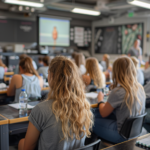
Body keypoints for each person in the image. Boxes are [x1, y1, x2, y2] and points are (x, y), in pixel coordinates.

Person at [18, 56, 93, 150]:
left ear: (51, 77)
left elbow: (27, 148)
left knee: (21, 142)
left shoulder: (41, 110)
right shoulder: (84, 106)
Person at [92, 56, 145, 143]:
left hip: (121, 135)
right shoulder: (139, 88)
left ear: (116, 72)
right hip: (135, 132)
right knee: (95, 114)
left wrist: (100, 99)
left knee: (89, 120)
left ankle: (91, 146)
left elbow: (103, 113)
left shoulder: (119, 91)